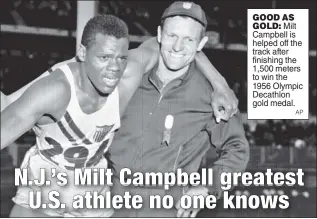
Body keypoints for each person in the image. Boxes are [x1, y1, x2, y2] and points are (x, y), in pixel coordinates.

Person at [1, 13, 238, 218]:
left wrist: (220, 83)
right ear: (83, 53)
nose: (114, 68)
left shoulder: (128, 74)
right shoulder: (52, 92)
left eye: (120, 58)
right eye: (103, 58)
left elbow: (171, 44)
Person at [108, 2, 249, 218]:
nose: (177, 47)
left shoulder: (212, 96)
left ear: (201, 43)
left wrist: (207, 187)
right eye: (172, 35)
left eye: (189, 39)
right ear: (159, 34)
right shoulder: (130, 77)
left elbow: (238, 148)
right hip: (107, 202)